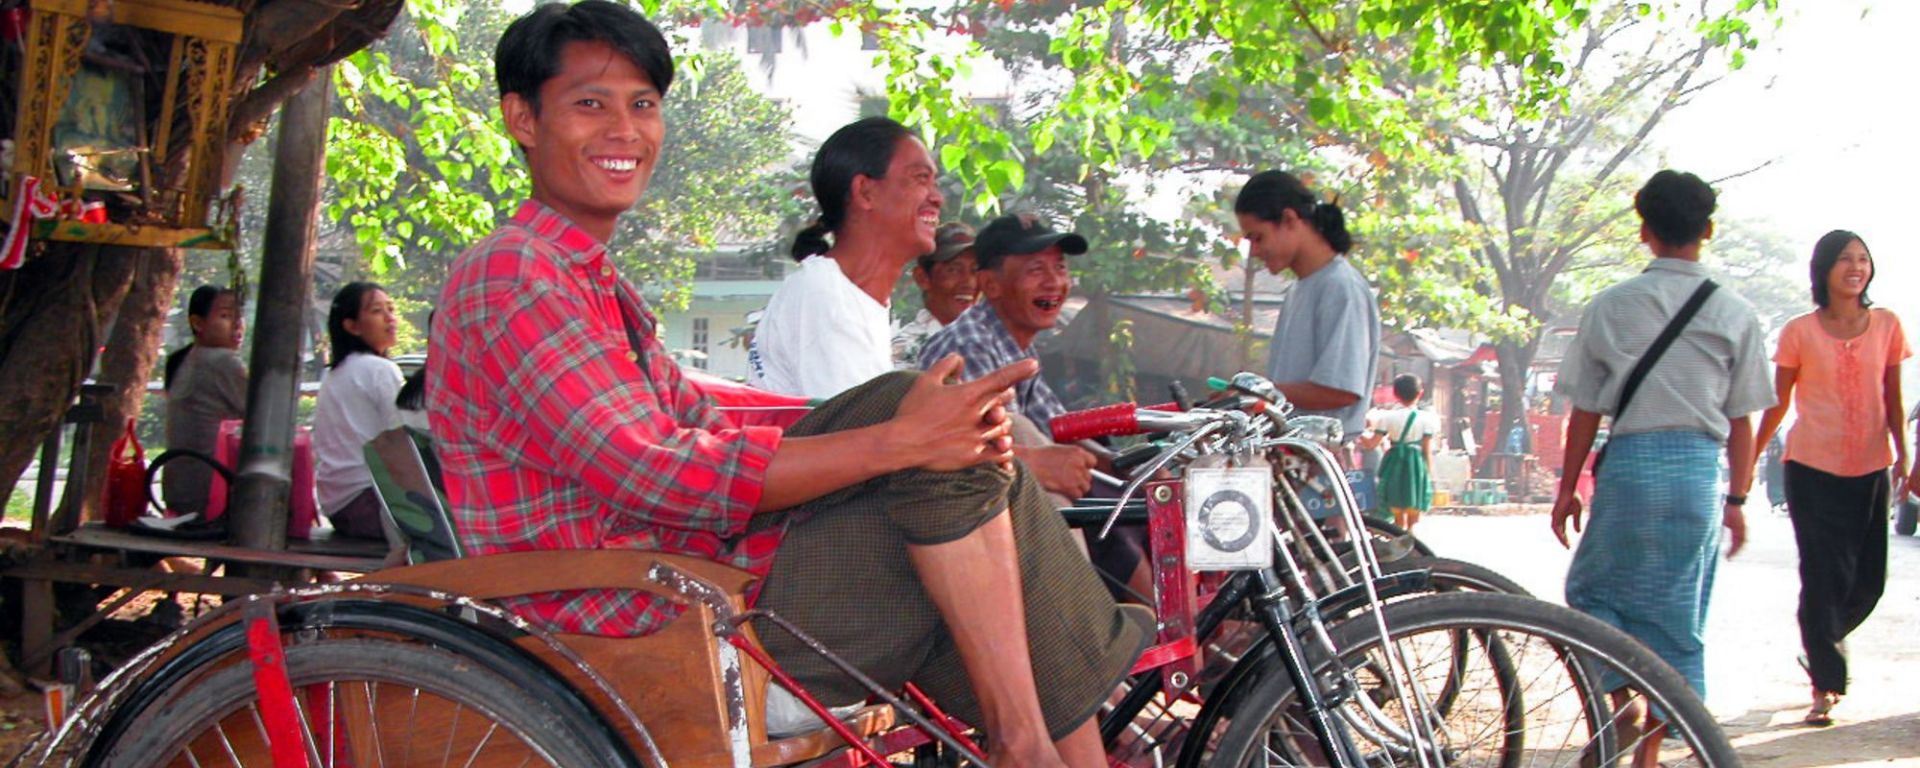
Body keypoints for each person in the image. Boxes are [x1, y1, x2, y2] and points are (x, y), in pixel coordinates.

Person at [428, 7, 1148, 766]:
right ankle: (1036, 741)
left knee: (933, 429)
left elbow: (697, 410)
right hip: (635, 621)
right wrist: (896, 439)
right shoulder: (515, 275)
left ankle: (1034, 743)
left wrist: (906, 425)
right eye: (589, 104)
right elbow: (657, 471)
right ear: (523, 119)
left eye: (642, 105)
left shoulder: (586, 277)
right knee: (934, 456)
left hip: (685, 584)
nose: (624, 130)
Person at [1549, 170, 1773, 767]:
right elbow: (1744, 420)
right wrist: (1738, 501)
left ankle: (1617, 698)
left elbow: (1586, 411)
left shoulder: (1610, 306)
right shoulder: (1736, 313)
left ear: (1644, 230)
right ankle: (1651, 747)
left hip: (1627, 470)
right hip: (1698, 477)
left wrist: (1568, 489)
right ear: (1708, 230)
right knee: (1678, 612)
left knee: (1592, 592)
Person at [1749, 229, 1909, 727]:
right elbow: (1778, 402)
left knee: (1867, 581)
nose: (1856, 267)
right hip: (1810, 469)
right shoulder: (1799, 330)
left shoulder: (1887, 325)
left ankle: (1819, 644)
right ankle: (1825, 683)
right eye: (1845, 259)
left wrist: (1906, 455)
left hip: (1870, 467)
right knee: (1822, 575)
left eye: (1863, 258)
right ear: (1824, 269)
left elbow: (1895, 398)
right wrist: (1750, 454)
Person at [745, 117, 936, 399]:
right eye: (921, 179)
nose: (937, 198)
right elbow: (865, 437)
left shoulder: (849, 297)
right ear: (865, 192)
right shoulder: (825, 297)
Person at [920, 213, 1099, 500]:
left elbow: (1059, 428)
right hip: (974, 515)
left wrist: (1126, 466)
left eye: (1060, 267)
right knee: (1021, 434)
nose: (1054, 282)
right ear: (991, 285)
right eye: (1036, 270)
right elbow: (984, 453)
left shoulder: (1018, 348)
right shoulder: (968, 344)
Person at [1234, 170, 1379, 441]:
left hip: (1320, 462)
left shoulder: (1340, 286)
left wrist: (1258, 394)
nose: (1253, 251)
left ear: (1289, 219)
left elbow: (1341, 390)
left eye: (1258, 237)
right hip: (1289, 455)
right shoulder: (1298, 290)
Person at [312, 281, 404, 540]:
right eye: (377, 311)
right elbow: (404, 442)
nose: (390, 318)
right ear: (352, 326)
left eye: (391, 309)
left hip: (339, 506)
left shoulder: (335, 374)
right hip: (368, 502)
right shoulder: (379, 370)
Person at [161, 285, 247, 515]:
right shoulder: (223, 361)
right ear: (198, 323)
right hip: (210, 495)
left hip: (177, 494)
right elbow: (265, 418)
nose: (238, 324)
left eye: (240, 316)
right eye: (226, 316)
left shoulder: (182, 359)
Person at [892, 221, 977, 366]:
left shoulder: (987, 340)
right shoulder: (909, 350)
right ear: (923, 278)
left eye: (975, 270)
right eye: (954, 270)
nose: (970, 283)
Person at [1360, 374, 1438, 530]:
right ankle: (1411, 540)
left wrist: (1357, 432)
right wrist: (1429, 477)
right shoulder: (1427, 420)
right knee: (1413, 507)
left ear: (1395, 394)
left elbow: (1371, 444)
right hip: (1416, 466)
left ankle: (1397, 537)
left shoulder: (1387, 418)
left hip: (1394, 463)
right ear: (1420, 393)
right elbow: (1427, 451)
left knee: (1396, 510)